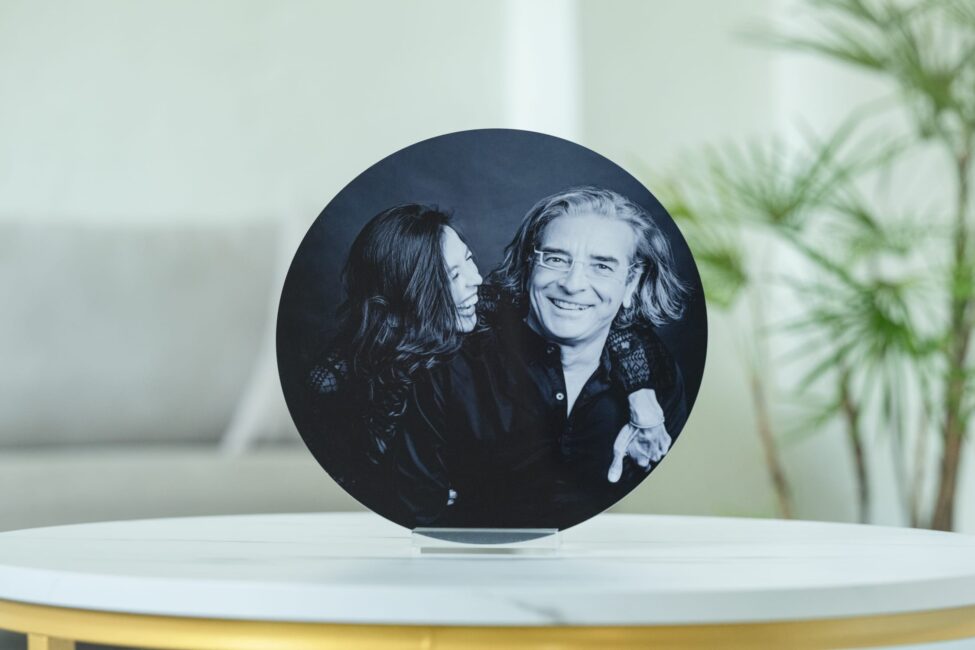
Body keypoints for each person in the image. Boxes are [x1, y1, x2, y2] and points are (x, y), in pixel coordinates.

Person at [396, 187, 688, 529]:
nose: (573, 283)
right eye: (556, 258)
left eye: (602, 266)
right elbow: (415, 519)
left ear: (631, 283)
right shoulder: (448, 370)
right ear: (529, 264)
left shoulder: (659, 380)